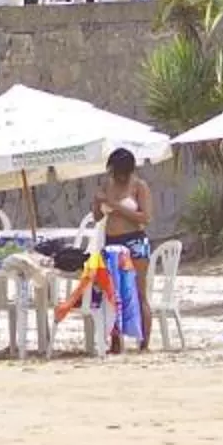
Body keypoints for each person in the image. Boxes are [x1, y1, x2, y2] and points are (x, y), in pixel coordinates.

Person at [90, 147, 157, 353]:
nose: (119, 177)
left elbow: (145, 217)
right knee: (113, 292)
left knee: (138, 291)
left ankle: (144, 341)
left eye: (122, 173)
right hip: (112, 241)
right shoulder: (107, 185)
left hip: (134, 240)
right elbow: (98, 217)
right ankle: (116, 341)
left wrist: (116, 206)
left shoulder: (139, 186)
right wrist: (98, 202)